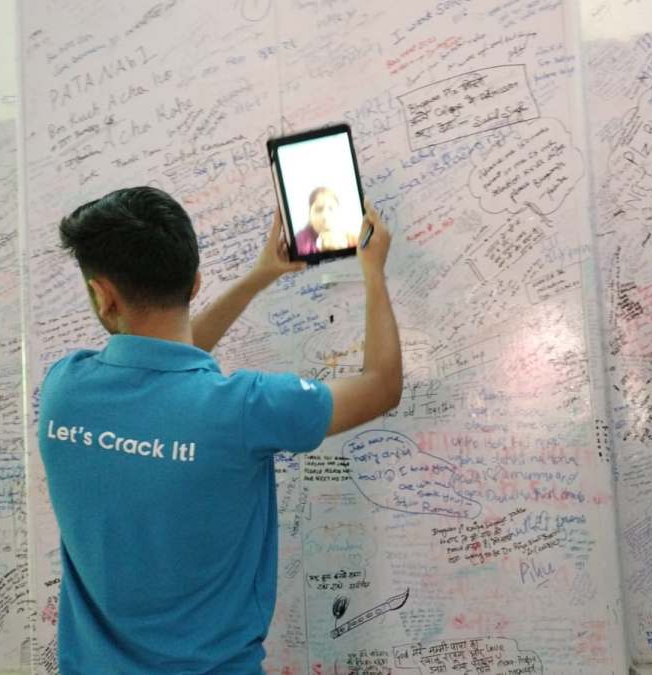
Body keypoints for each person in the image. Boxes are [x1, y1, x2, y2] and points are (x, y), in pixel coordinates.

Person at [38, 186, 401, 673]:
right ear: (194, 283)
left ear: (102, 296)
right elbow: (381, 386)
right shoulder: (243, 411)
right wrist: (373, 273)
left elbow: (163, 370)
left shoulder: (65, 390)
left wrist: (257, 279)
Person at [293, 186, 358, 255]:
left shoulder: (355, 241)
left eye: (331, 208)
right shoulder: (298, 243)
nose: (325, 217)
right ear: (310, 216)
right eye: (318, 209)